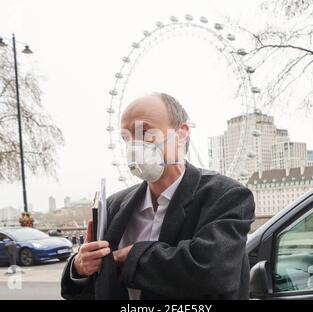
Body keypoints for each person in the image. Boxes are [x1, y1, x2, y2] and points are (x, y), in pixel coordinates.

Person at [61, 92, 255, 300]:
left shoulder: (226, 196)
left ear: (181, 135)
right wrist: (79, 268)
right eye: (126, 138)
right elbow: (95, 288)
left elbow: (212, 271)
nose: (133, 147)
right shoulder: (112, 206)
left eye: (145, 132)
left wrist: (128, 257)